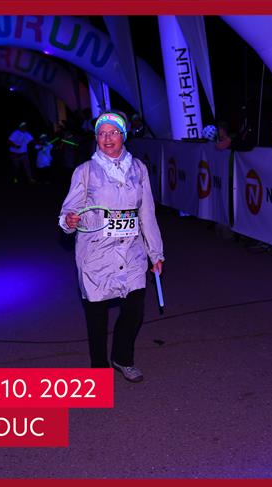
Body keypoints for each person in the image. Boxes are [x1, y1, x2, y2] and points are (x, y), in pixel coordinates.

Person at [58, 112, 164, 382]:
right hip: (96, 253)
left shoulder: (138, 168)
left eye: (113, 132)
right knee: (97, 317)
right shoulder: (85, 171)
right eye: (102, 133)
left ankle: (122, 358)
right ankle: (99, 369)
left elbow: (147, 213)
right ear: (96, 137)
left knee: (134, 310)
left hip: (132, 252)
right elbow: (68, 210)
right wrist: (69, 221)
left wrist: (155, 253)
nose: (107, 138)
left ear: (123, 136)